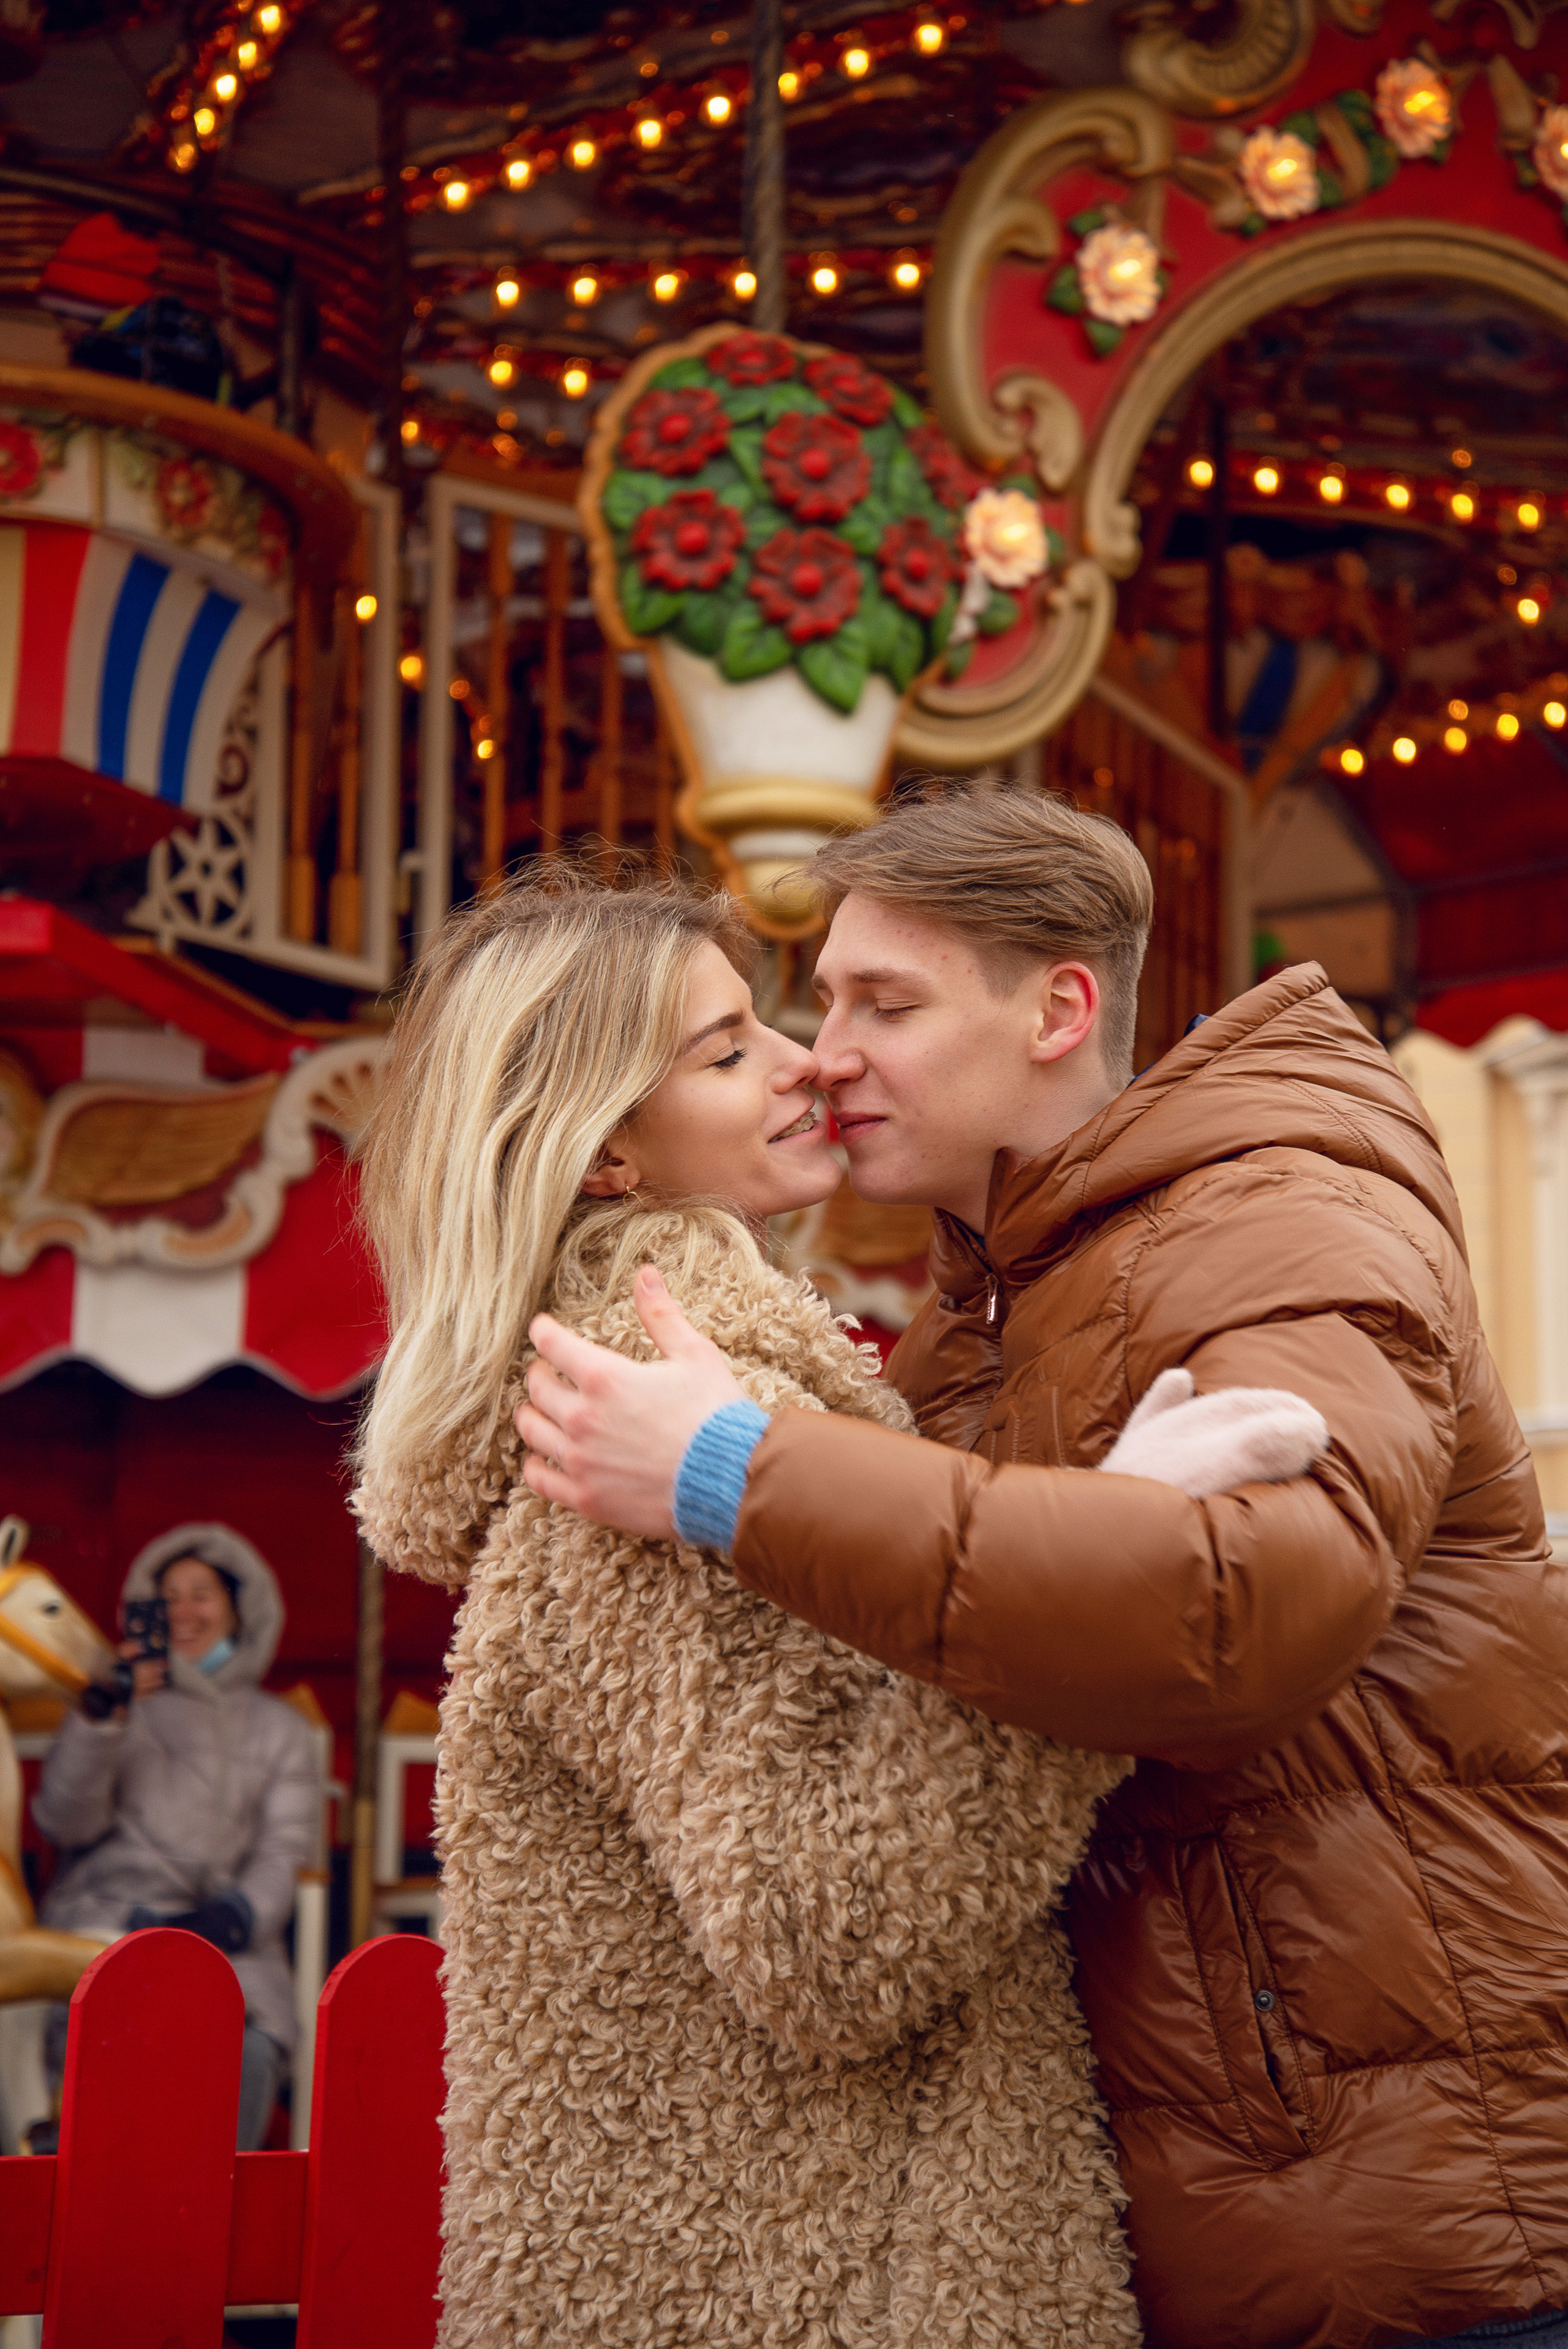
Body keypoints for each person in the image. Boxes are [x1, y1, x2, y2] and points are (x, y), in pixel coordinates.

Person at [516, 785, 1568, 2349]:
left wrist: (732, 1468)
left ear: (1057, 1009)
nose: (826, 1051)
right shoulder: (976, 1313)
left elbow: (1244, 1609)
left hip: (1401, 2200)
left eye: (886, 1000)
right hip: (1202, 2188)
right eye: (817, 1004)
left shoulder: (1282, 1217)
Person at [350, 868, 1323, 2349]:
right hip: (826, 2283)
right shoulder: (644, 1415)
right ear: (609, 1146)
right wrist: (1104, 1575)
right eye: (730, 1046)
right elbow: (828, 1923)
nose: (806, 1056)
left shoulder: (687, 1385)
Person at [34, 1525, 320, 2150]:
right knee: (102, 2051)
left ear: (240, 1607)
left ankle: (216, 2218)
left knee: (247, 2046)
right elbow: (63, 1822)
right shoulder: (113, 1704)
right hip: (107, 1924)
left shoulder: (281, 1730)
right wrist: (103, 1721)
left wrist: (232, 1918)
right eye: (167, 1597)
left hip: (227, 1941)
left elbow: (282, 1848)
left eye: (202, 1594)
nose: (184, 1612)